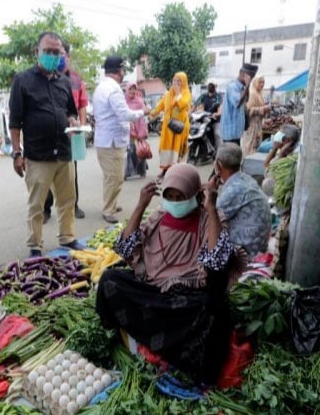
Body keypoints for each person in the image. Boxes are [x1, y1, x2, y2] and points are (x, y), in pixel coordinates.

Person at [96, 163, 246, 382]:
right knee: (110, 280)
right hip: (153, 288)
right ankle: (124, 334)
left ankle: (179, 356)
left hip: (183, 298)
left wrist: (211, 207)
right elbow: (125, 249)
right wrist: (140, 205)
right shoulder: (158, 218)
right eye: (171, 196)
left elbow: (218, 262)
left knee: (213, 307)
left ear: (195, 194)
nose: (175, 202)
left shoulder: (209, 218)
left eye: (181, 196)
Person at [9, 31, 86, 257]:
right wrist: (16, 153)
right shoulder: (22, 80)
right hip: (37, 155)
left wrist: (73, 120)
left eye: (57, 52)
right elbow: (15, 122)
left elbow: (71, 111)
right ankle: (35, 245)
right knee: (37, 204)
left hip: (64, 151)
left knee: (67, 199)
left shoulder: (64, 81)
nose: (53, 56)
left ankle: (67, 238)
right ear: (37, 52)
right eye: (48, 51)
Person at [92, 55, 147, 224]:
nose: (124, 74)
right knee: (114, 177)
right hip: (112, 142)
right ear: (119, 71)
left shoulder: (101, 87)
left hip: (106, 140)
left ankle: (112, 204)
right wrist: (143, 112)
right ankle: (108, 209)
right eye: (123, 70)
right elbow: (125, 114)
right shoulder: (113, 89)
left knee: (112, 176)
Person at [43, 41, 87, 222]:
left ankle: (74, 205)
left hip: (70, 134)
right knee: (46, 173)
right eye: (53, 53)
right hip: (48, 135)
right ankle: (46, 208)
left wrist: (81, 128)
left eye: (61, 54)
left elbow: (82, 106)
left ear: (67, 56)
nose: (57, 58)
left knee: (71, 172)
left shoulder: (76, 80)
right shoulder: (44, 77)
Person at [214, 144, 271, 256]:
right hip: (259, 244)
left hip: (248, 252)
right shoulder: (245, 178)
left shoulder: (234, 189)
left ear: (218, 165)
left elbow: (211, 215)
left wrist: (210, 193)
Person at [149, 72, 192, 175]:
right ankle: (165, 170)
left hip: (179, 127)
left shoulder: (186, 93)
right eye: (174, 80)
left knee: (177, 149)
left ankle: (176, 171)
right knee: (165, 148)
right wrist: (152, 113)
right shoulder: (167, 95)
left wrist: (178, 93)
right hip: (168, 127)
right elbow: (160, 106)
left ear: (184, 82)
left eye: (179, 81)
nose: (176, 83)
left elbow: (182, 104)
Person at [220, 63, 258, 145]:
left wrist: (247, 87)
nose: (251, 80)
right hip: (230, 134)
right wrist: (247, 86)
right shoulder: (232, 86)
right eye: (250, 78)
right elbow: (238, 103)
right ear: (245, 76)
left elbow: (246, 99)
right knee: (230, 157)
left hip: (236, 133)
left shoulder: (242, 88)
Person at [262, 124, 301, 197]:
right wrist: (275, 148)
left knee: (268, 183)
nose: (276, 137)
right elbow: (266, 165)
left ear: (289, 140)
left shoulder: (296, 154)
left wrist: (281, 154)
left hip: (290, 189)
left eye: (280, 135)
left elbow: (272, 172)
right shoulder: (285, 149)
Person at [124, 82, 149, 180]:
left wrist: (143, 132)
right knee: (129, 151)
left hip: (139, 129)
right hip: (128, 129)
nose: (132, 91)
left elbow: (143, 116)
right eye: (130, 89)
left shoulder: (139, 101)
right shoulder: (123, 101)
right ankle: (127, 172)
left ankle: (142, 171)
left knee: (140, 151)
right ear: (127, 90)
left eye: (134, 89)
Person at [241, 76, 271, 156]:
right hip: (251, 125)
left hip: (258, 124)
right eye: (260, 82)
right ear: (255, 82)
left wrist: (265, 109)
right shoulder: (252, 93)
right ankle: (247, 161)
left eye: (263, 82)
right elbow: (248, 110)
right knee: (250, 144)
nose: (262, 84)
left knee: (256, 144)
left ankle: (253, 160)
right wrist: (262, 108)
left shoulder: (260, 94)